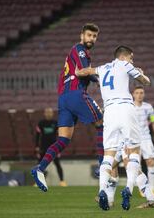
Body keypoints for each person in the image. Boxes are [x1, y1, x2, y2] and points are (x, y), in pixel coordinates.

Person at [76, 45, 153, 211]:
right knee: (133, 152)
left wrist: (76, 71)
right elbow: (145, 81)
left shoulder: (102, 68)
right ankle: (128, 189)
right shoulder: (125, 65)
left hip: (109, 112)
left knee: (108, 155)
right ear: (125, 57)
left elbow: (85, 72)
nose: (132, 61)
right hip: (125, 108)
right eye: (131, 58)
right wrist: (142, 74)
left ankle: (102, 190)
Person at [31, 23, 104, 192]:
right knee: (102, 123)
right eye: (89, 35)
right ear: (82, 35)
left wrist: (94, 78)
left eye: (94, 36)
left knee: (63, 139)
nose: (91, 39)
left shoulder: (81, 52)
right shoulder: (79, 49)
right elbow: (80, 72)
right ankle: (102, 165)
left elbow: (83, 71)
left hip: (63, 98)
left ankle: (40, 168)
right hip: (75, 94)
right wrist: (101, 74)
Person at [132, 86, 154, 197]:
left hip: (146, 138)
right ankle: (142, 189)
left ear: (144, 94)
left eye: (141, 93)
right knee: (136, 164)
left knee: (151, 162)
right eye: (137, 93)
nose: (139, 95)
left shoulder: (148, 107)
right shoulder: (129, 107)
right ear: (133, 94)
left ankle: (152, 189)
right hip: (133, 139)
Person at [35, 108, 67, 187]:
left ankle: (62, 181)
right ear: (44, 113)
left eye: (50, 112)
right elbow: (37, 135)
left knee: (58, 164)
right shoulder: (41, 123)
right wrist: (36, 146)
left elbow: (60, 135)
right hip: (43, 147)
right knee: (40, 165)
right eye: (47, 112)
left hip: (54, 148)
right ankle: (38, 182)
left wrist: (60, 147)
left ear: (52, 114)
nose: (48, 114)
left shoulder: (56, 123)